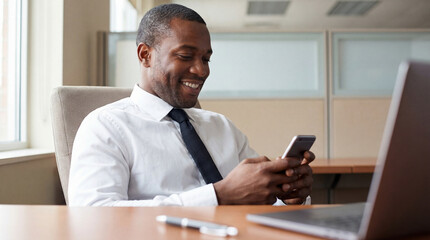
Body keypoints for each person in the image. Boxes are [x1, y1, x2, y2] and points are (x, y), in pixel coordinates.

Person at [68, 3, 315, 206]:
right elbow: (92, 215)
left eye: (206, 59)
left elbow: (259, 197)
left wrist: (289, 197)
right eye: (185, 56)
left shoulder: (221, 126)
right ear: (145, 55)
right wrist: (218, 196)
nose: (201, 70)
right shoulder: (105, 126)